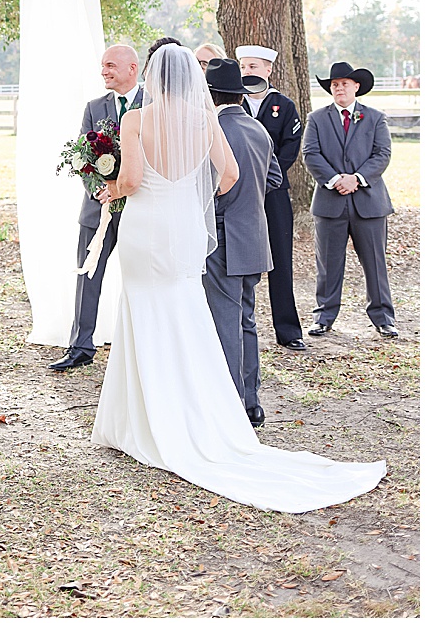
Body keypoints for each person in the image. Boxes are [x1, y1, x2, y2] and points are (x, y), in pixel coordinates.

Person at [91, 44, 386, 511]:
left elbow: (128, 181)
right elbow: (227, 177)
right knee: (188, 318)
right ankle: (201, 416)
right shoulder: (204, 119)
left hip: (146, 229)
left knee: (142, 312)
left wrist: (109, 189)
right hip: (185, 231)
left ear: (152, 76)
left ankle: (141, 421)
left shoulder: (137, 120)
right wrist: (186, 195)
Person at [49, 45, 143, 372]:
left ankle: (141, 345)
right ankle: (80, 346)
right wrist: (102, 191)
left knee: (142, 278)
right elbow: (81, 158)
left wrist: (126, 190)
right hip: (97, 210)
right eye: (103, 66)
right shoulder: (94, 107)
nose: (104, 71)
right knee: (88, 276)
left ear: (133, 68)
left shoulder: (153, 106)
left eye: (111, 66)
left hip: (140, 211)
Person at [204, 58, 281, 427]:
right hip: (254, 235)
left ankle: (232, 404)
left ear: (211, 94)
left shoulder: (211, 131)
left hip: (222, 235)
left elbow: (205, 185)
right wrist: (249, 200)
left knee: (225, 322)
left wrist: (223, 206)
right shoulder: (258, 129)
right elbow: (275, 179)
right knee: (246, 320)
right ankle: (252, 402)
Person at [302, 61, 397, 338]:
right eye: (334, 84)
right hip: (330, 202)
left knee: (375, 263)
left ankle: (383, 317)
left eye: (344, 83)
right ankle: (324, 316)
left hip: (369, 201)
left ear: (356, 87)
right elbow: (311, 153)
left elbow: (382, 154)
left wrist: (356, 178)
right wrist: (335, 180)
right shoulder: (317, 118)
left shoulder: (375, 118)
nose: (339, 87)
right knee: (328, 263)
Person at [236, 44, 306, 351]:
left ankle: (288, 331)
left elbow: (289, 147)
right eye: (243, 67)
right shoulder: (233, 102)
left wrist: (264, 175)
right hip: (237, 191)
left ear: (268, 70)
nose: (247, 72)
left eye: (253, 66)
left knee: (281, 259)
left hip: (274, 191)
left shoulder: (283, 105)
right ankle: (235, 326)